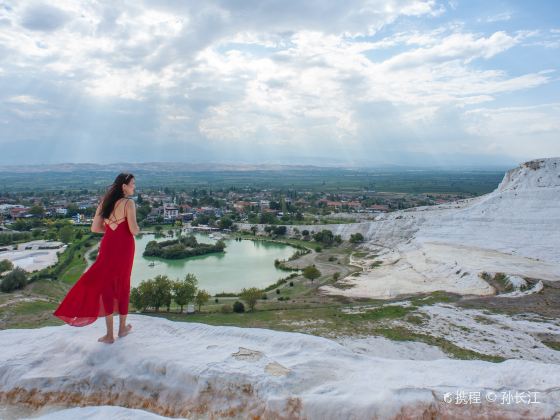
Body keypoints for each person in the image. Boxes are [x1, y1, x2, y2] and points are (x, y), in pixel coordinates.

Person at [53, 173, 140, 344]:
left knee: (106, 285)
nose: (134, 187)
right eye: (132, 184)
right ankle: (122, 329)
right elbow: (134, 230)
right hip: (125, 248)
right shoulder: (129, 203)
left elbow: (95, 228)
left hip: (108, 246)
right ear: (124, 186)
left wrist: (111, 231)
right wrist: (136, 228)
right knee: (123, 284)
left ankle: (109, 335)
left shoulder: (104, 203)